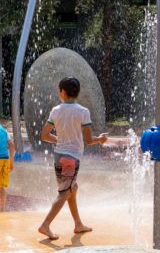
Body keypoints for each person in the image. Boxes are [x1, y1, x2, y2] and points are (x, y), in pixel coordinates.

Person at [38, 77, 108, 240]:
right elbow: (90, 140)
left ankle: (78, 224)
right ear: (77, 93)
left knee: (71, 190)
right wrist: (101, 139)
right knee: (64, 193)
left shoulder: (55, 110)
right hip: (72, 158)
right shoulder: (83, 112)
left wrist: (61, 140)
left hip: (58, 157)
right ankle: (45, 225)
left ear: (62, 92)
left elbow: (44, 135)